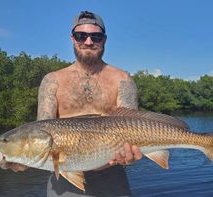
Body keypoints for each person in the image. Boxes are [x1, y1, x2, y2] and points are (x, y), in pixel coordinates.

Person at [36, 11, 142, 196]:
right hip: (63, 181)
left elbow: (131, 130)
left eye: (96, 36)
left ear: (104, 39)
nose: (88, 42)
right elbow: (41, 132)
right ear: (72, 38)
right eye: (81, 36)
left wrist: (130, 155)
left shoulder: (123, 80)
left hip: (112, 179)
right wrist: (18, 157)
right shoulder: (52, 80)